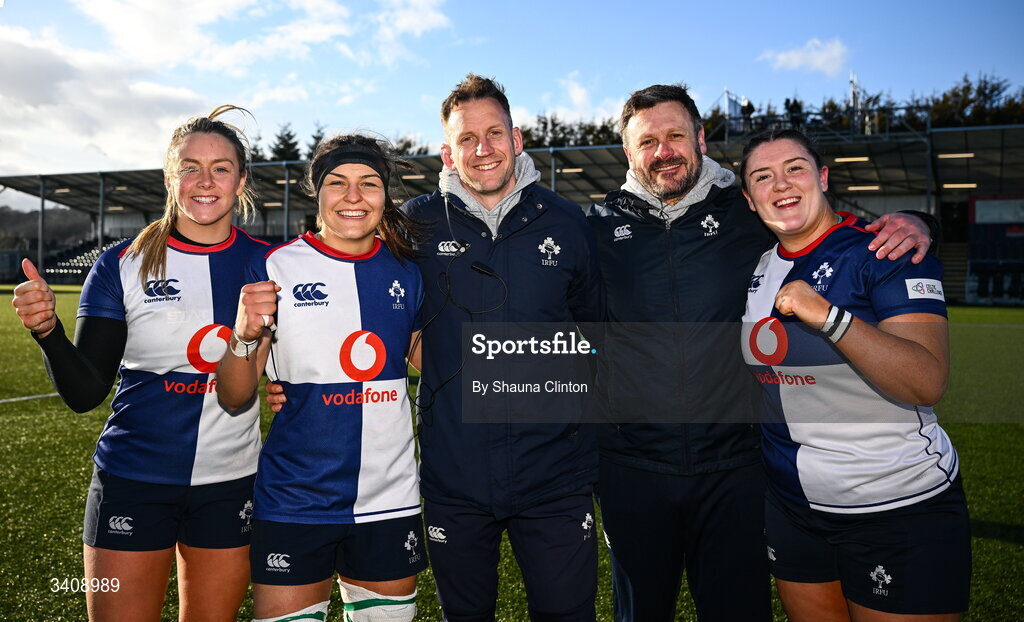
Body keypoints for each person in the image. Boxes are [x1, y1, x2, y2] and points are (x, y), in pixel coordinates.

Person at [586, 84, 937, 622]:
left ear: (701, 138)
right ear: (628, 154)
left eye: (676, 135)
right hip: (632, 468)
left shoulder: (748, 210)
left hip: (736, 468)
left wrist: (917, 219)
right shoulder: (596, 228)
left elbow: (822, 223)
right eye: (648, 141)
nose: (664, 151)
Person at [11, 106, 267, 621]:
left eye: (221, 168)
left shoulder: (273, 263)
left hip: (231, 483)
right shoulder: (121, 263)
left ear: (241, 180)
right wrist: (48, 332)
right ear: (170, 178)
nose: (204, 180)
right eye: (189, 167)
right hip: (132, 480)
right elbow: (84, 394)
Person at [739, 128, 970, 621]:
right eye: (763, 177)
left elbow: (927, 380)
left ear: (822, 177)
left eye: (795, 168)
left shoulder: (884, 251)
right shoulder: (756, 268)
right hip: (791, 507)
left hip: (895, 503)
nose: (781, 184)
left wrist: (830, 317)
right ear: (748, 198)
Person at [403, 74, 602, 621]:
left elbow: (595, 337)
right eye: (468, 138)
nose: (483, 148)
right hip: (456, 475)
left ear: (517, 139)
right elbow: (369, 305)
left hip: (556, 475)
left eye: (495, 133)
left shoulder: (566, 222)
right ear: (448, 152)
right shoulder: (413, 225)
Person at [216, 134, 427, 622]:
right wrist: (246, 332)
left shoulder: (410, 272)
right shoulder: (273, 265)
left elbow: (434, 364)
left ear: (385, 195)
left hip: (388, 496)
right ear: (317, 192)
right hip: (295, 497)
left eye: (369, 183)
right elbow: (234, 393)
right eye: (338, 183)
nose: (353, 197)